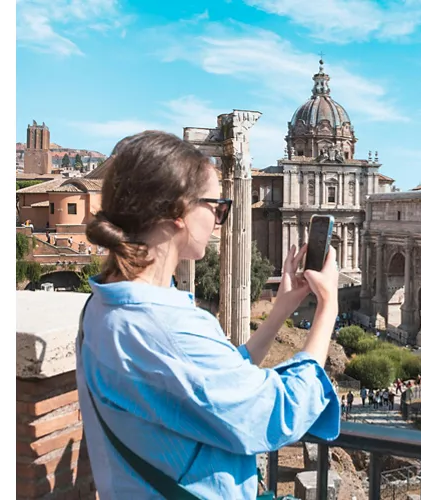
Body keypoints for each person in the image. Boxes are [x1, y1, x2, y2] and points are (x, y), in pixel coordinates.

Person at [74, 131, 341, 499]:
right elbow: (279, 412)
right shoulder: (164, 326)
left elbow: (214, 378)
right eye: (217, 206)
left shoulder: (103, 307)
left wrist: (281, 309)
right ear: (177, 212)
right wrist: (328, 306)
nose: (220, 219)